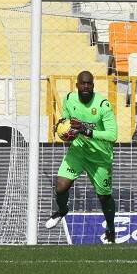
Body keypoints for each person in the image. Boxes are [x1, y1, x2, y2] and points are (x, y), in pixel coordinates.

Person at [45, 71, 119, 243]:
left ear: (93, 85)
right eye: (83, 83)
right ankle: (62, 210)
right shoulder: (70, 99)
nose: (86, 86)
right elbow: (66, 120)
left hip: (100, 156)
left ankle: (110, 227)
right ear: (77, 85)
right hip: (78, 151)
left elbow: (112, 135)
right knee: (61, 186)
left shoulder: (103, 105)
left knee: (104, 197)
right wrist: (63, 129)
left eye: (89, 84)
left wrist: (86, 130)